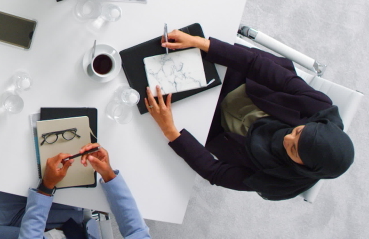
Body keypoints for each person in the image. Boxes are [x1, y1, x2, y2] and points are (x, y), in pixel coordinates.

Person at [145, 30, 355, 201]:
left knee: (146, 106)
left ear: (303, 167)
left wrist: (169, 130)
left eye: (293, 149)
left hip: (214, 128)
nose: (287, 137)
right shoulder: (317, 108)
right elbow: (256, 65)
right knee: (159, 50)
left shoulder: (278, 182)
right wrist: (202, 43)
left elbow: (215, 172)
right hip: (239, 79)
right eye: (298, 131)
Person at [0, 143, 150, 239]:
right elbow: (137, 233)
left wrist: (46, 187)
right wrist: (108, 174)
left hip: (12, 225)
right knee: (52, 137)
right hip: (69, 219)